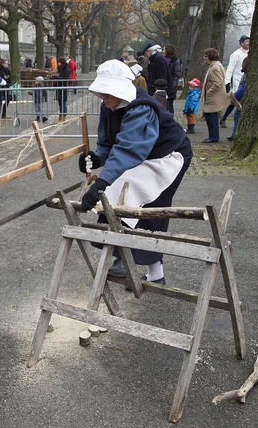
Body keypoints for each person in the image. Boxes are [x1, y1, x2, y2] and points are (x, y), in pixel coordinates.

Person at [78, 59, 193, 285]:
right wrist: (97, 157)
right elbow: (109, 143)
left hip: (168, 156)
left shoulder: (140, 107)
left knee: (140, 202)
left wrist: (100, 183)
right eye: (102, 92)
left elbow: (128, 152)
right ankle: (153, 274)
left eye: (109, 92)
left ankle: (125, 256)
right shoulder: (108, 105)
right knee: (123, 194)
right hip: (143, 155)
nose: (105, 97)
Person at [221, 35, 250, 128]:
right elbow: (230, 69)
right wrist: (227, 82)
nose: (248, 43)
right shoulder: (235, 54)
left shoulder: (251, 53)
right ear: (241, 43)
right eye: (247, 41)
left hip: (247, 81)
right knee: (234, 103)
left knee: (236, 103)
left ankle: (225, 119)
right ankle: (224, 119)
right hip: (238, 82)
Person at [201, 48, 228, 143]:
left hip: (213, 97)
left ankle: (213, 137)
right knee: (210, 116)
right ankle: (212, 136)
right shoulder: (215, 65)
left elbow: (218, 82)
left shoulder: (215, 67)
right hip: (213, 97)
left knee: (211, 117)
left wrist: (209, 91)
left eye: (206, 56)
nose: (204, 58)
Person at [227, 57, 248, 141]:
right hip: (241, 98)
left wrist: (235, 96)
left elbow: (243, 88)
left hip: (242, 99)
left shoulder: (246, 75)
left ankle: (235, 134)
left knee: (237, 117)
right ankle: (235, 134)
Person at [51, 57, 71, 123]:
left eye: (59, 62)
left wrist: (56, 77)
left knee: (63, 103)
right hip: (59, 87)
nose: (58, 64)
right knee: (60, 102)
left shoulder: (67, 69)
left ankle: (63, 117)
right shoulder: (61, 68)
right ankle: (60, 117)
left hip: (63, 88)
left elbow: (65, 78)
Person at [164, 44, 181, 113]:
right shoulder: (166, 60)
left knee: (170, 105)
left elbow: (176, 76)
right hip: (167, 86)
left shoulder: (176, 61)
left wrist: (172, 88)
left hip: (171, 87)